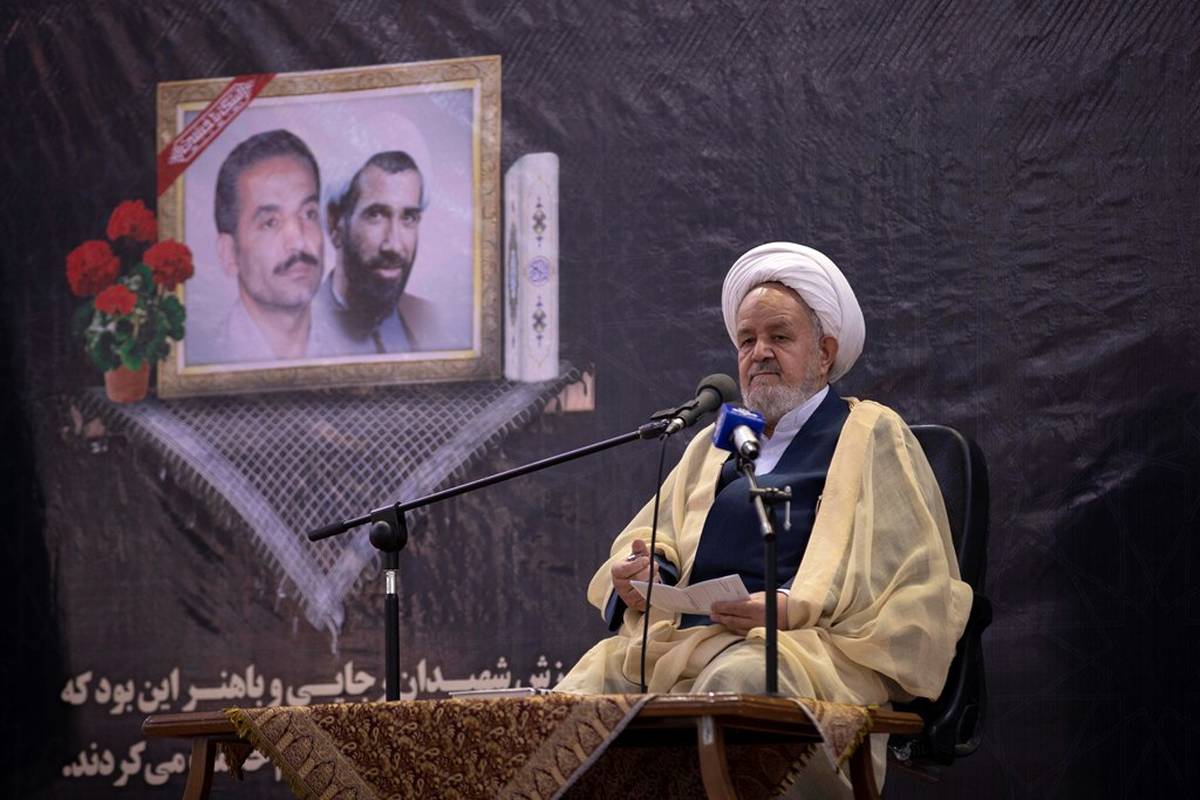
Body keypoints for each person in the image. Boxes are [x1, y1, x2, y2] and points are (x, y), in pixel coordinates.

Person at [555, 242, 973, 796]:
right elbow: (657, 534)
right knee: (578, 695)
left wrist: (792, 606)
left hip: (808, 646)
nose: (760, 353)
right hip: (684, 642)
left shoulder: (870, 433)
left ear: (824, 353)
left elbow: (908, 574)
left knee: (737, 682)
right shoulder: (718, 442)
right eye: (747, 340)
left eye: (779, 336)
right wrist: (647, 569)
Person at [190, 129, 341, 365]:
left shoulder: (356, 356)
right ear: (229, 254)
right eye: (270, 223)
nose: (298, 241)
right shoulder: (204, 362)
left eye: (308, 214)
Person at [311, 148, 471, 354]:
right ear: (335, 223)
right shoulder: (294, 330)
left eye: (408, 217)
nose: (394, 245)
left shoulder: (432, 322)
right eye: (375, 215)